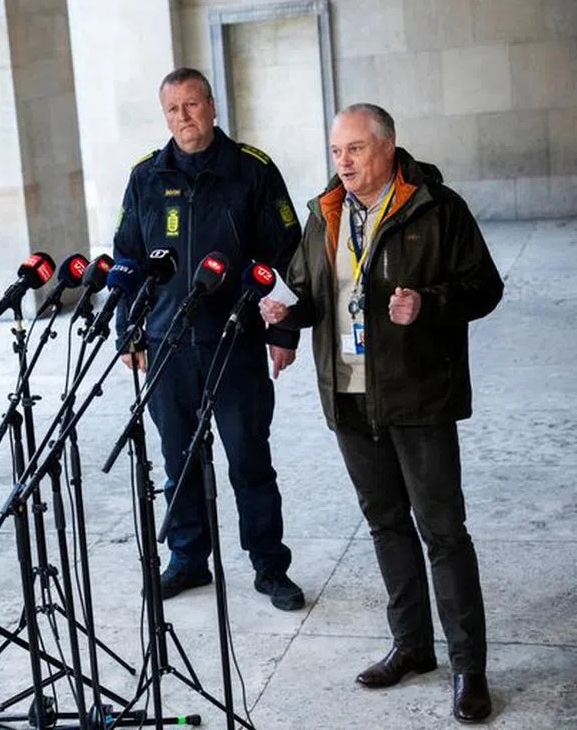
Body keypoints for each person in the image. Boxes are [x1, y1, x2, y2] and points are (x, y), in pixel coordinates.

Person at [259, 103, 501, 723]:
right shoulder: (325, 215)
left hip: (418, 396)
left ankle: (469, 667)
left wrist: (427, 303)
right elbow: (309, 292)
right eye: (337, 151)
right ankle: (413, 646)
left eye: (356, 149)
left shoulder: (436, 208)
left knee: (443, 533)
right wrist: (286, 314)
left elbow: (485, 287)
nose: (343, 162)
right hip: (349, 395)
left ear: (389, 148)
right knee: (385, 525)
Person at [113, 67, 305, 610]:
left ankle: (269, 566)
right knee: (179, 461)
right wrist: (130, 331)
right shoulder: (145, 176)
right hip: (168, 344)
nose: (184, 117)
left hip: (235, 342)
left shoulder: (252, 170)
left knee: (248, 458)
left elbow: (288, 254)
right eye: (173, 109)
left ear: (212, 106)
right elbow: (127, 257)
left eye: (192, 105)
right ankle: (189, 560)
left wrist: (284, 327)